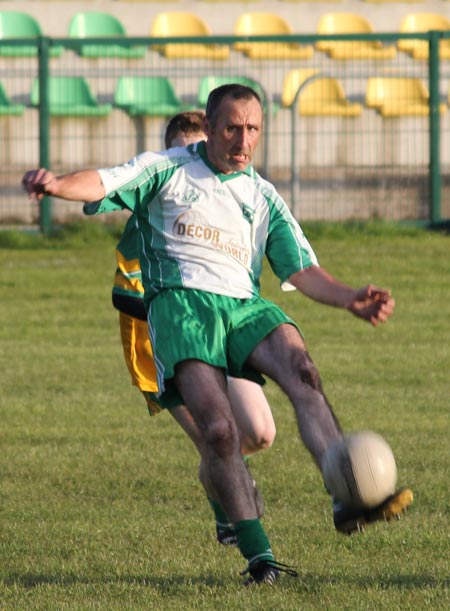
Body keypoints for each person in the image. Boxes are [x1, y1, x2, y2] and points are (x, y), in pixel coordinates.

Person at [22, 83, 413, 586]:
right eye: (232, 127)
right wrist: (55, 183)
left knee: (304, 373)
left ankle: (347, 494)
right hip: (182, 308)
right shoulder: (166, 169)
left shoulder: (263, 195)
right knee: (221, 432)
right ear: (208, 127)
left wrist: (349, 297)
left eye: (252, 129)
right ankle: (260, 558)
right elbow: (101, 181)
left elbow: (301, 269)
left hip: (243, 307)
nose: (242, 140)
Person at [112, 110, 276, 546]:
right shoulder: (152, 211)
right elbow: (125, 295)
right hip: (156, 348)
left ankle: (226, 488)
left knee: (257, 434)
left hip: (213, 334)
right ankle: (232, 518)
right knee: (214, 439)